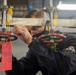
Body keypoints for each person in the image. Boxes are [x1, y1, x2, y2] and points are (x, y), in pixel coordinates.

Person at [0, 10, 76, 75]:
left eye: (35, 28)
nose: (32, 34)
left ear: (48, 26)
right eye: (28, 31)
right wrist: (6, 53)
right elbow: (20, 73)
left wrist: (31, 41)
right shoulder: (36, 50)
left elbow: (65, 67)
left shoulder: (70, 41)